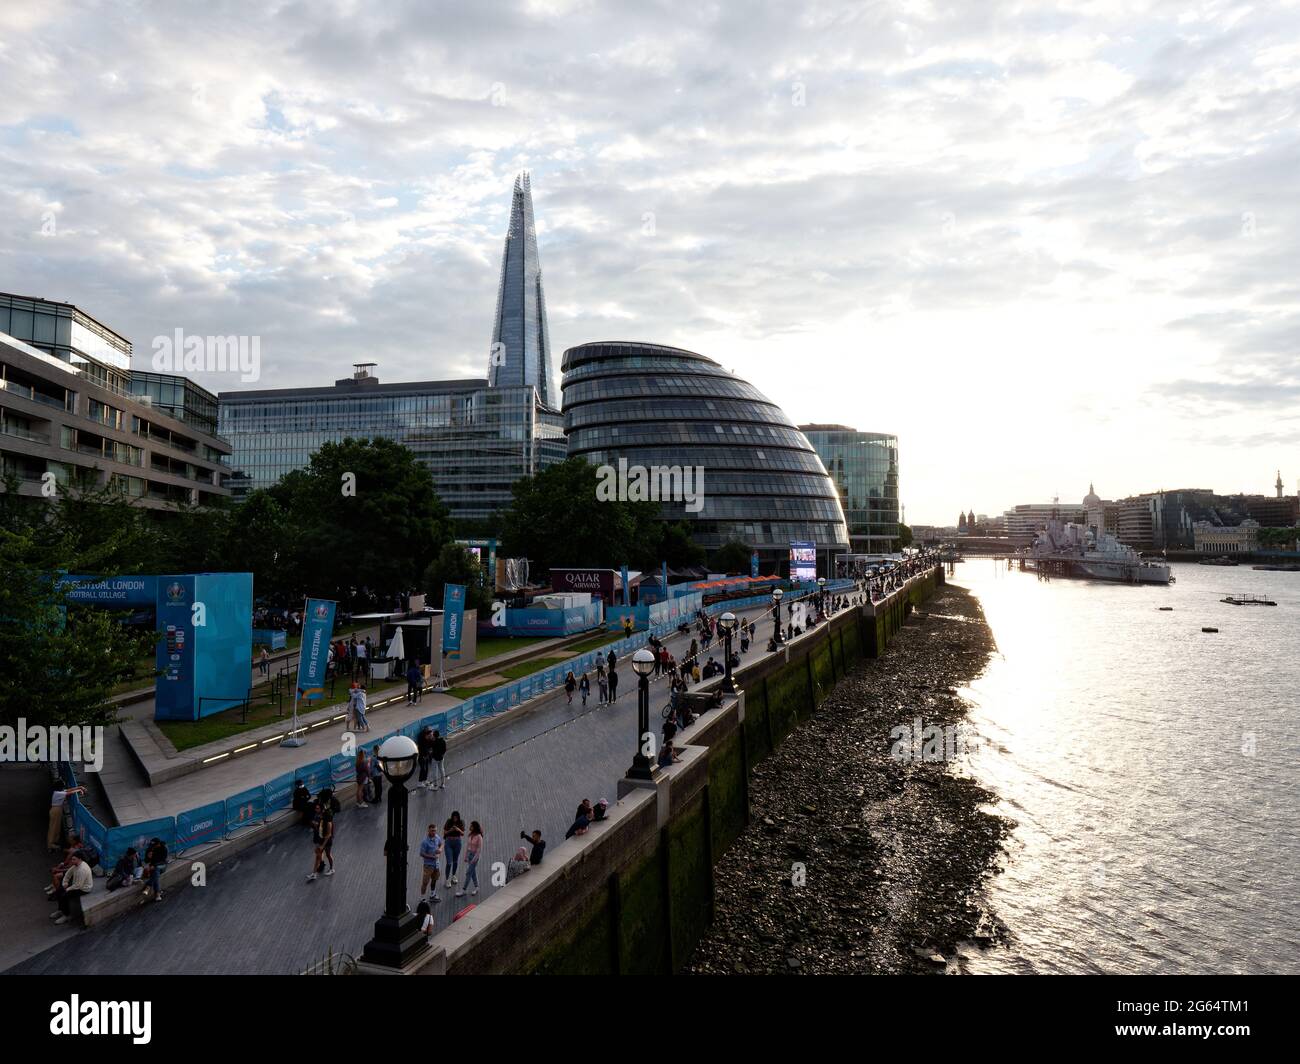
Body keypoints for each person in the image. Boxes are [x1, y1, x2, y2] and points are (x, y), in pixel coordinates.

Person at [50, 853, 92, 925]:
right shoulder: (76, 865)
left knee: (65, 895)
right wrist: (64, 883)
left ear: (80, 859)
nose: (72, 861)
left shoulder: (82, 869)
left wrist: (67, 889)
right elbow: (68, 874)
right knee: (59, 891)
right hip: (76, 885)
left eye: (74, 859)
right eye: (72, 859)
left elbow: (78, 885)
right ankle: (60, 910)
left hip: (83, 889)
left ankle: (66, 915)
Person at [47, 785, 86, 852]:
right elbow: (69, 792)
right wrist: (79, 790)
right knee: (53, 828)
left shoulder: (58, 792)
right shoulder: (58, 793)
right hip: (56, 810)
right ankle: (50, 845)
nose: (64, 788)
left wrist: (80, 787)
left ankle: (54, 843)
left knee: (56, 827)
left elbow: (69, 790)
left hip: (57, 809)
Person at [306, 799, 334, 881]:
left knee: (328, 855)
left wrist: (322, 846)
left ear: (322, 809)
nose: (316, 810)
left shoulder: (328, 820)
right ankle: (314, 873)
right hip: (320, 839)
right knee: (317, 856)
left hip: (326, 841)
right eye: (316, 808)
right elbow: (318, 827)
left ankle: (332, 869)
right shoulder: (317, 816)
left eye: (318, 808)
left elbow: (329, 834)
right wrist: (315, 825)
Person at [419, 823, 443, 899]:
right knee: (425, 882)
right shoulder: (425, 842)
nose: (434, 832)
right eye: (432, 831)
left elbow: (441, 844)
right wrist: (432, 857)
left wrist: (440, 849)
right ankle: (422, 898)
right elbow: (422, 853)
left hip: (436, 864)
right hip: (428, 865)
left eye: (435, 831)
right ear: (428, 830)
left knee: (434, 879)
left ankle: (432, 894)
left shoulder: (437, 837)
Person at [141, 837, 168, 902]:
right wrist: (148, 857)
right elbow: (146, 861)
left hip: (162, 866)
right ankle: (157, 894)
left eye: (154, 846)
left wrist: (154, 865)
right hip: (153, 867)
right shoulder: (150, 849)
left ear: (158, 844)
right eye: (152, 846)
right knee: (156, 873)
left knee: (156, 870)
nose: (153, 847)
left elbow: (163, 860)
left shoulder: (163, 848)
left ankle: (148, 886)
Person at [461, 821, 483, 897]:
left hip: (475, 857)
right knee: (473, 872)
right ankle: (477, 887)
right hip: (470, 855)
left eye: (471, 826)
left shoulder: (479, 837)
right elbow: (468, 847)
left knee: (468, 873)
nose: (469, 827)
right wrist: (465, 856)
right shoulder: (470, 835)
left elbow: (479, 850)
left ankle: (464, 890)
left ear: (474, 827)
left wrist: (474, 860)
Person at [443, 811, 465, 888]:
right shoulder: (449, 821)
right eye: (454, 817)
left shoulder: (461, 822)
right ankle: (447, 879)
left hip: (457, 842)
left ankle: (453, 875)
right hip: (448, 842)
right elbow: (445, 833)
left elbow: (462, 833)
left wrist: (457, 829)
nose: (455, 818)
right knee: (449, 862)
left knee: (455, 861)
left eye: (456, 817)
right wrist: (451, 830)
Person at [417, 725, 435, 790]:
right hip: (422, 755)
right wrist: (427, 738)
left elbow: (431, 743)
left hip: (426, 755)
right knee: (423, 769)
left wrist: (431, 738)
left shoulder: (428, 737)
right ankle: (419, 782)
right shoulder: (421, 736)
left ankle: (425, 780)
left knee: (426, 768)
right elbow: (421, 746)